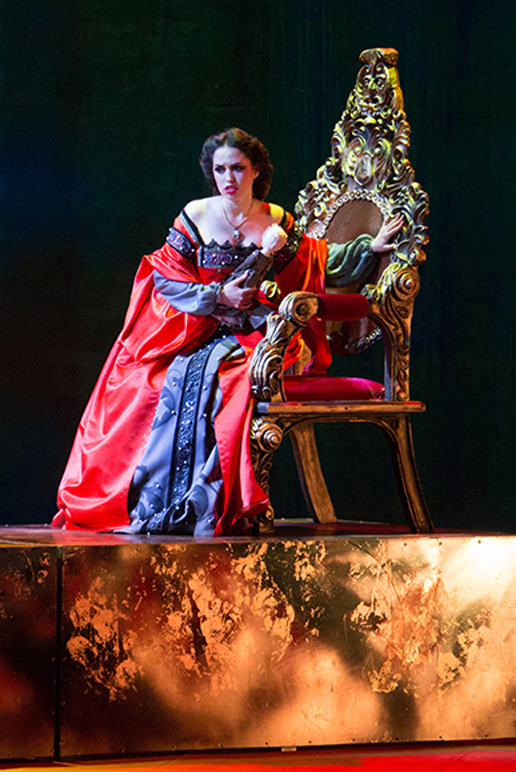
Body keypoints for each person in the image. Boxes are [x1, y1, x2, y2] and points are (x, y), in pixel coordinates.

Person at [53, 128, 400, 537]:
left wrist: (369, 248)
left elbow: (319, 260)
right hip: (195, 329)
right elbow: (165, 277)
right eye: (220, 169)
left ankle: (212, 502)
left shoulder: (275, 220)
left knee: (231, 378)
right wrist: (218, 295)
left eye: (237, 168)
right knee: (145, 382)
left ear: (256, 171)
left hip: (256, 335)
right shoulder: (196, 215)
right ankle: (156, 501)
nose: (228, 178)